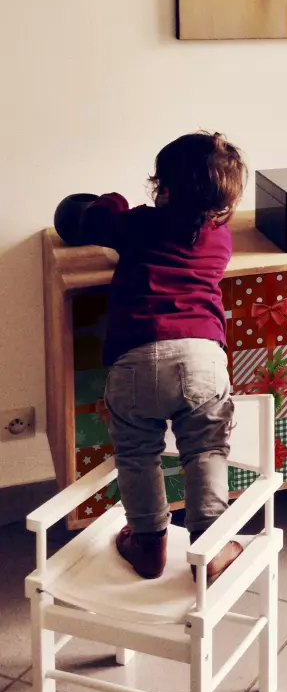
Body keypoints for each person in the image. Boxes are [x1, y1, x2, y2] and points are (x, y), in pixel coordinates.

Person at [56, 131, 247, 582]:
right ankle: (211, 546)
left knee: (138, 454)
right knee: (206, 449)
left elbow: (94, 222)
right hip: (202, 358)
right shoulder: (220, 239)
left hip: (135, 360)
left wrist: (113, 200)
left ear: (164, 188)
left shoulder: (139, 224)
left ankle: (148, 544)